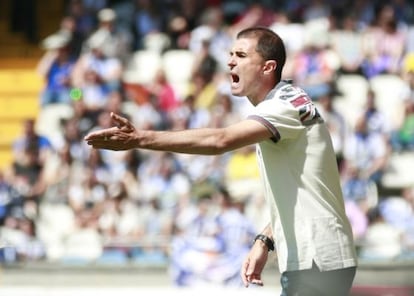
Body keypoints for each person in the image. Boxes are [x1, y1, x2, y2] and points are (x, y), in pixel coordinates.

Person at [85, 26, 358, 296]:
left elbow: (220, 141)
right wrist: (266, 239)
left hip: (317, 258)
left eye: (240, 55)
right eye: (230, 54)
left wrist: (141, 139)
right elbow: (300, 192)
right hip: (316, 256)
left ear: (267, 67)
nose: (230, 61)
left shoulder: (282, 106)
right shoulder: (284, 103)